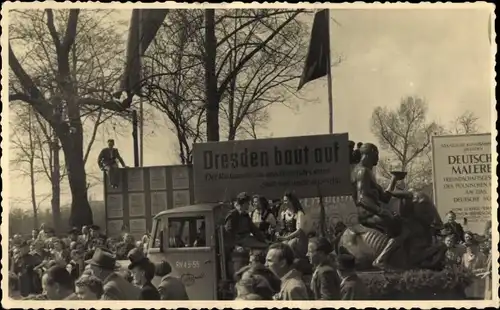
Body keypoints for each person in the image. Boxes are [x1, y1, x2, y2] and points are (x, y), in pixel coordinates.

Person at [351, 142, 411, 270]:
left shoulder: (368, 172)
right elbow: (362, 199)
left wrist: (394, 179)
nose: (378, 159)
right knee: (404, 227)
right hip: (367, 214)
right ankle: (382, 259)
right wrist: (382, 212)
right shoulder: (362, 172)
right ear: (369, 154)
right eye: (376, 155)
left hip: (373, 212)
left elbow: (385, 197)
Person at [277, 192, 310, 260]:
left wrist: (287, 237)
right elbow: (283, 228)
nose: (285, 202)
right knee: (278, 248)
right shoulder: (284, 213)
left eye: (286, 200)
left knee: (289, 246)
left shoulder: (299, 214)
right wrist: (279, 233)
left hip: (297, 237)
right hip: (287, 236)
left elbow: (299, 230)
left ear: (292, 201)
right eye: (284, 201)